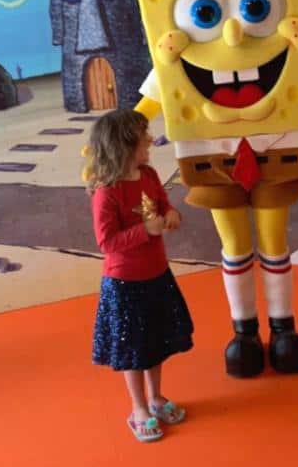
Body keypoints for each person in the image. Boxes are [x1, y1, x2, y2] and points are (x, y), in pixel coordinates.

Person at [86, 109, 193, 442]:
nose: (149, 139)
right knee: (133, 348)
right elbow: (107, 242)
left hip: (156, 274)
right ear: (124, 144)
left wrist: (171, 214)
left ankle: (156, 397)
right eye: (142, 135)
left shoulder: (148, 174)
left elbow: (162, 204)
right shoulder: (108, 192)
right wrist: (145, 231)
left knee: (156, 342)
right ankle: (138, 408)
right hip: (125, 284)